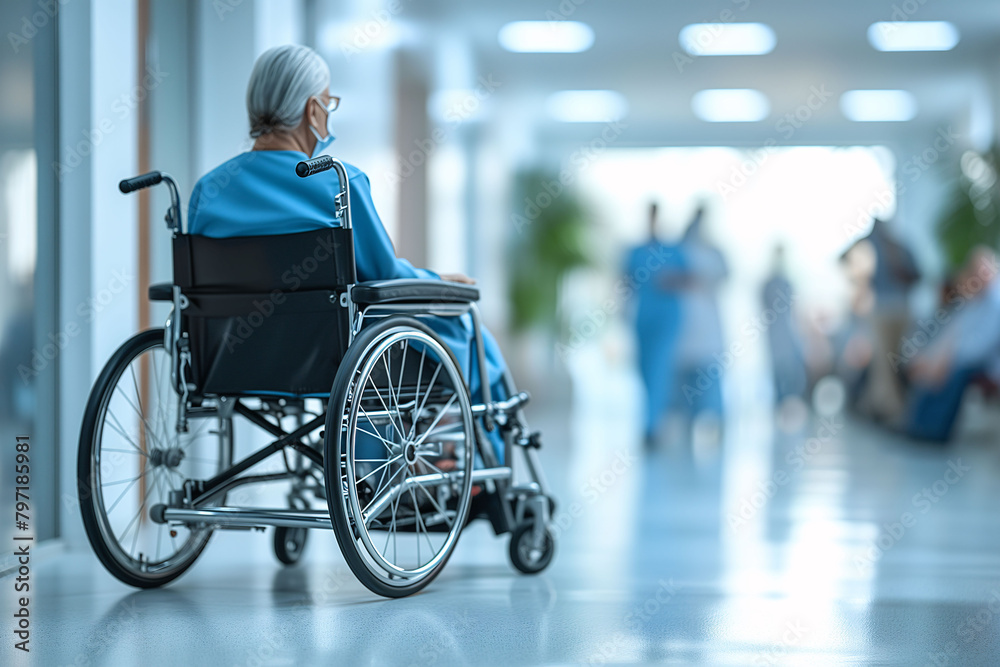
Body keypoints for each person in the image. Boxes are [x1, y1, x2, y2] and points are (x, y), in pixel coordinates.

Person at [187, 44, 507, 458]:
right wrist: (437, 281)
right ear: (312, 110)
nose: (328, 112)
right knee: (473, 336)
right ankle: (486, 463)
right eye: (328, 102)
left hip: (233, 361)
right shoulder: (338, 182)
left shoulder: (208, 192)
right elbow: (383, 276)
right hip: (330, 360)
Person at [903, 247, 1000, 441]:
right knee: (934, 371)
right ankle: (919, 426)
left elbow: (981, 347)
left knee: (954, 372)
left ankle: (936, 432)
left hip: (987, 362)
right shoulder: (976, 300)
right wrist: (936, 359)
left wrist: (948, 360)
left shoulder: (995, 300)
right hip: (970, 358)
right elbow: (960, 336)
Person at [624, 203, 687, 448]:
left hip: (666, 318)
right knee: (645, 371)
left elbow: (689, 279)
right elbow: (625, 282)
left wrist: (672, 280)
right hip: (643, 317)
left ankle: (652, 427)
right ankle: (650, 420)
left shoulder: (673, 251)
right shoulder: (635, 251)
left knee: (659, 370)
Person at [845, 218, 920, 422]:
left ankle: (899, 408)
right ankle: (888, 409)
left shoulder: (903, 248)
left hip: (902, 310)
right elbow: (844, 258)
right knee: (883, 364)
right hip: (880, 311)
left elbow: (917, 276)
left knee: (901, 361)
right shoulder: (868, 247)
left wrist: (897, 267)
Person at [674, 206, 728, 429]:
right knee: (683, 380)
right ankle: (686, 420)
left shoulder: (714, 252)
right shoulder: (679, 250)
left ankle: (715, 420)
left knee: (709, 378)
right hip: (684, 324)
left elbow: (724, 275)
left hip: (707, 326)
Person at [762, 245, 807, 406]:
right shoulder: (769, 284)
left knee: (790, 379)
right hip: (776, 336)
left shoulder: (785, 283)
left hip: (787, 336)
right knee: (780, 377)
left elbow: (794, 311)